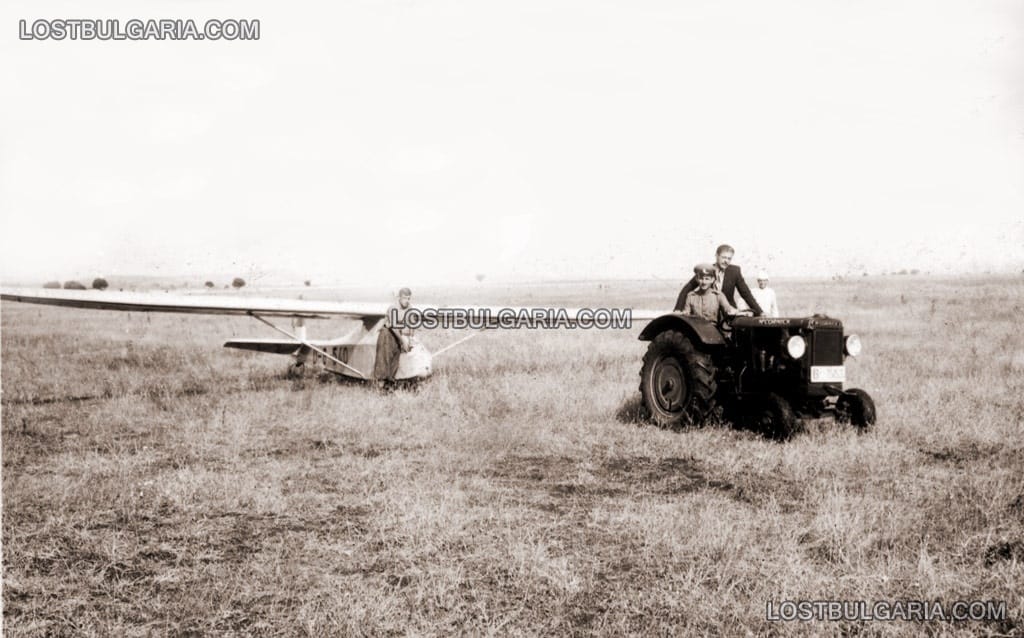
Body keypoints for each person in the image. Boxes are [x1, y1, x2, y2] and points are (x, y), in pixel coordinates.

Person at [674, 244, 764, 316]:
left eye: (729, 258)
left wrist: (760, 312)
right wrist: (678, 309)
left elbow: (746, 294)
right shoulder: (707, 271)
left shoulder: (735, 271)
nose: (726, 261)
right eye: (723, 257)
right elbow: (686, 290)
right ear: (716, 256)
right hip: (708, 312)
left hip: (728, 312)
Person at [373, 287, 414, 383]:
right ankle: (381, 386)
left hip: (397, 336)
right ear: (399, 297)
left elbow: (411, 323)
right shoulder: (393, 308)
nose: (406, 301)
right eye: (404, 298)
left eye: (408, 298)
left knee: (395, 361)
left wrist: (411, 338)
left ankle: (390, 385)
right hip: (387, 335)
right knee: (384, 360)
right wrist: (403, 340)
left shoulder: (410, 308)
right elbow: (394, 327)